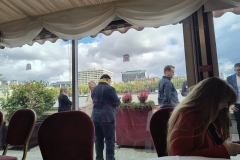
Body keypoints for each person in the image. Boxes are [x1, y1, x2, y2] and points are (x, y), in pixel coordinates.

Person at [167, 77, 240, 158]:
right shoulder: (186, 116)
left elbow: (214, 144)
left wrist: (230, 146)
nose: (226, 106)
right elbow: (180, 156)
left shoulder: (212, 114)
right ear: (210, 98)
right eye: (224, 100)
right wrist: (225, 150)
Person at [91, 74, 121, 160]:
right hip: (107, 118)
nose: (110, 82)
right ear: (107, 79)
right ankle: (110, 158)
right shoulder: (110, 89)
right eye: (110, 81)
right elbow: (117, 102)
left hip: (96, 117)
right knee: (109, 140)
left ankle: (99, 158)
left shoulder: (94, 89)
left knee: (98, 140)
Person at [226, 63, 240, 140]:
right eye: (238, 70)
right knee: (239, 123)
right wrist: (231, 104)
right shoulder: (230, 79)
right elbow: (226, 92)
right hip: (237, 104)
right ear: (234, 70)